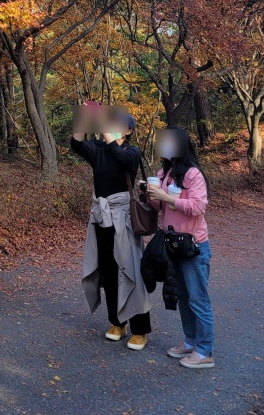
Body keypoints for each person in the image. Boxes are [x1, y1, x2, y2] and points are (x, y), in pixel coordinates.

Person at [71, 107, 152, 350]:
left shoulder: (132, 152)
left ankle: (140, 330)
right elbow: (76, 144)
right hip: (101, 216)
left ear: (128, 131)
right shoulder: (98, 150)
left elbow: (123, 160)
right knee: (107, 271)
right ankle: (117, 323)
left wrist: (107, 134)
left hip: (123, 217)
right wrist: (85, 118)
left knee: (131, 271)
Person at [145, 126, 214, 369]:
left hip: (193, 246)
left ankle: (205, 351)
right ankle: (190, 341)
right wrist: (152, 194)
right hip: (172, 245)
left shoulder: (193, 174)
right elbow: (158, 207)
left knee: (198, 299)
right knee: (183, 297)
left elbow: (197, 207)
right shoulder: (164, 172)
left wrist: (167, 198)